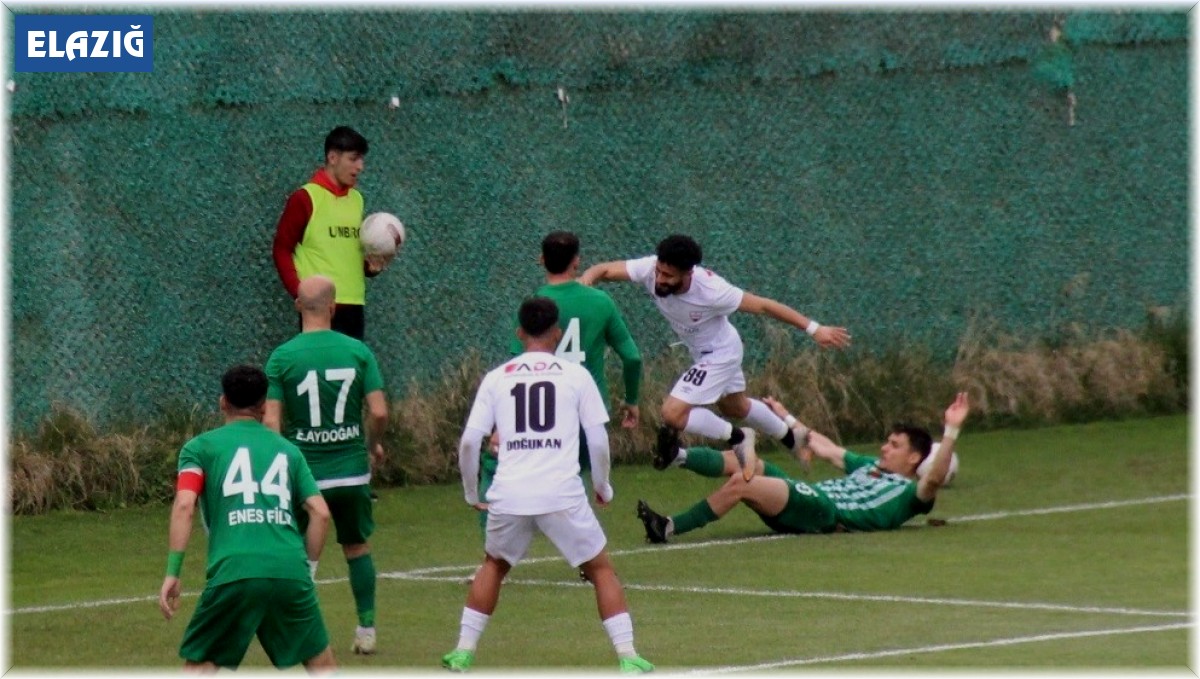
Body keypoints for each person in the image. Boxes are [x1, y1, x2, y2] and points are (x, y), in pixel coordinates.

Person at [443, 297, 653, 674]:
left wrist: (472, 492)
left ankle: (463, 651)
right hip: (560, 492)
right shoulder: (575, 376)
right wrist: (603, 485)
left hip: (509, 492)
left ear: (519, 332)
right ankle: (628, 655)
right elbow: (599, 440)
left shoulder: (497, 377)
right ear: (556, 333)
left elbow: (470, 442)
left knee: (494, 565)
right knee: (601, 570)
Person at [579, 233, 852, 479]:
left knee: (672, 414)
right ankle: (794, 439)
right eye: (659, 271)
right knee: (736, 407)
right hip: (710, 349)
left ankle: (739, 437)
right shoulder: (650, 268)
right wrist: (585, 282)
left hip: (720, 354)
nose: (659, 279)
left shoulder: (712, 291)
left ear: (688, 273)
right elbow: (604, 269)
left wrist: (814, 328)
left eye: (668, 276)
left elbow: (766, 306)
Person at [159, 364, 336, 673]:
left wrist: (173, 572)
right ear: (264, 405)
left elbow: (185, 505)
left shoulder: (199, 449)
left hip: (234, 569)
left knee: (201, 666)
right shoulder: (289, 451)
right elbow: (320, 512)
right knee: (322, 664)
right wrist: (307, 571)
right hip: (289, 569)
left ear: (222, 402)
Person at [477, 231, 644, 535]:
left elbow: (515, 367)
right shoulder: (601, 302)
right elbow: (632, 358)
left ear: (541, 260)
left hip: (538, 414)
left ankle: (493, 554)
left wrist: (500, 423)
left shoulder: (536, 306)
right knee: (571, 481)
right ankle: (585, 554)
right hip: (585, 413)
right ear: (577, 261)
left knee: (495, 468)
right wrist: (631, 399)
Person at [636, 392, 969, 542]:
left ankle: (667, 527)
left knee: (744, 481)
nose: (884, 447)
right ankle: (677, 456)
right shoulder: (870, 465)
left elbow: (934, 479)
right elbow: (825, 447)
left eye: (894, 445)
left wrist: (951, 430)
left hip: (827, 513)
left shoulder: (912, 494)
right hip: (811, 498)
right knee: (752, 463)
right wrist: (787, 417)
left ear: (914, 459)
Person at [263, 275, 390, 656]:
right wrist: (371, 445)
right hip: (351, 468)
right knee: (356, 546)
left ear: (297, 306)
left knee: (297, 552)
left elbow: (270, 422)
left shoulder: (282, 357)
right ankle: (366, 628)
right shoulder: (357, 351)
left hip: (306, 475)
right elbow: (379, 411)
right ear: (334, 308)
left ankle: (298, 627)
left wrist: (286, 463)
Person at [272, 125, 391, 340]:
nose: (360, 166)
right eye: (353, 159)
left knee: (352, 372)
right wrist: (302, 294)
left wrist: (371, 267)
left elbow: (345, 251)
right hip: (319, 309)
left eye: (362, 160)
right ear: (333, 157)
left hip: (354, 305)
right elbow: (281, 248)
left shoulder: (357, 199)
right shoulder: (305, 198)